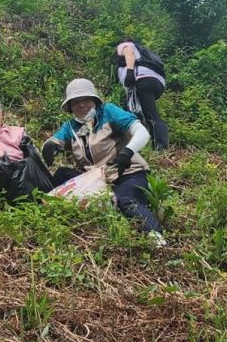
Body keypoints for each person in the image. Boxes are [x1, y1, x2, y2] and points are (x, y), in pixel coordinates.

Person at [42, 78, 166, 246]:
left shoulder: (108, 112)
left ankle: (155, 236)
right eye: (75, 102)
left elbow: (141, 132)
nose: (81, 105)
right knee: (60, 175)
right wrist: (50, 147)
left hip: (127, 172)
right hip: (96, 177)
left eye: (85, 99)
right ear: (69, 106)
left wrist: (127, 153)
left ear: (94, 100)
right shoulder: (71, 127)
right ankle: (39, 211)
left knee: (127, 200)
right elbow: (54, 141)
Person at [115, 37, 168, 150]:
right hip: (158, 83)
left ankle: (161, 148)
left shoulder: (125, 46)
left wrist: (129, 71)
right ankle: (151, 145)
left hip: (143, 79)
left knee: (151, 116)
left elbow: (128, 52)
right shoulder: (142, 52)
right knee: (145, 113)